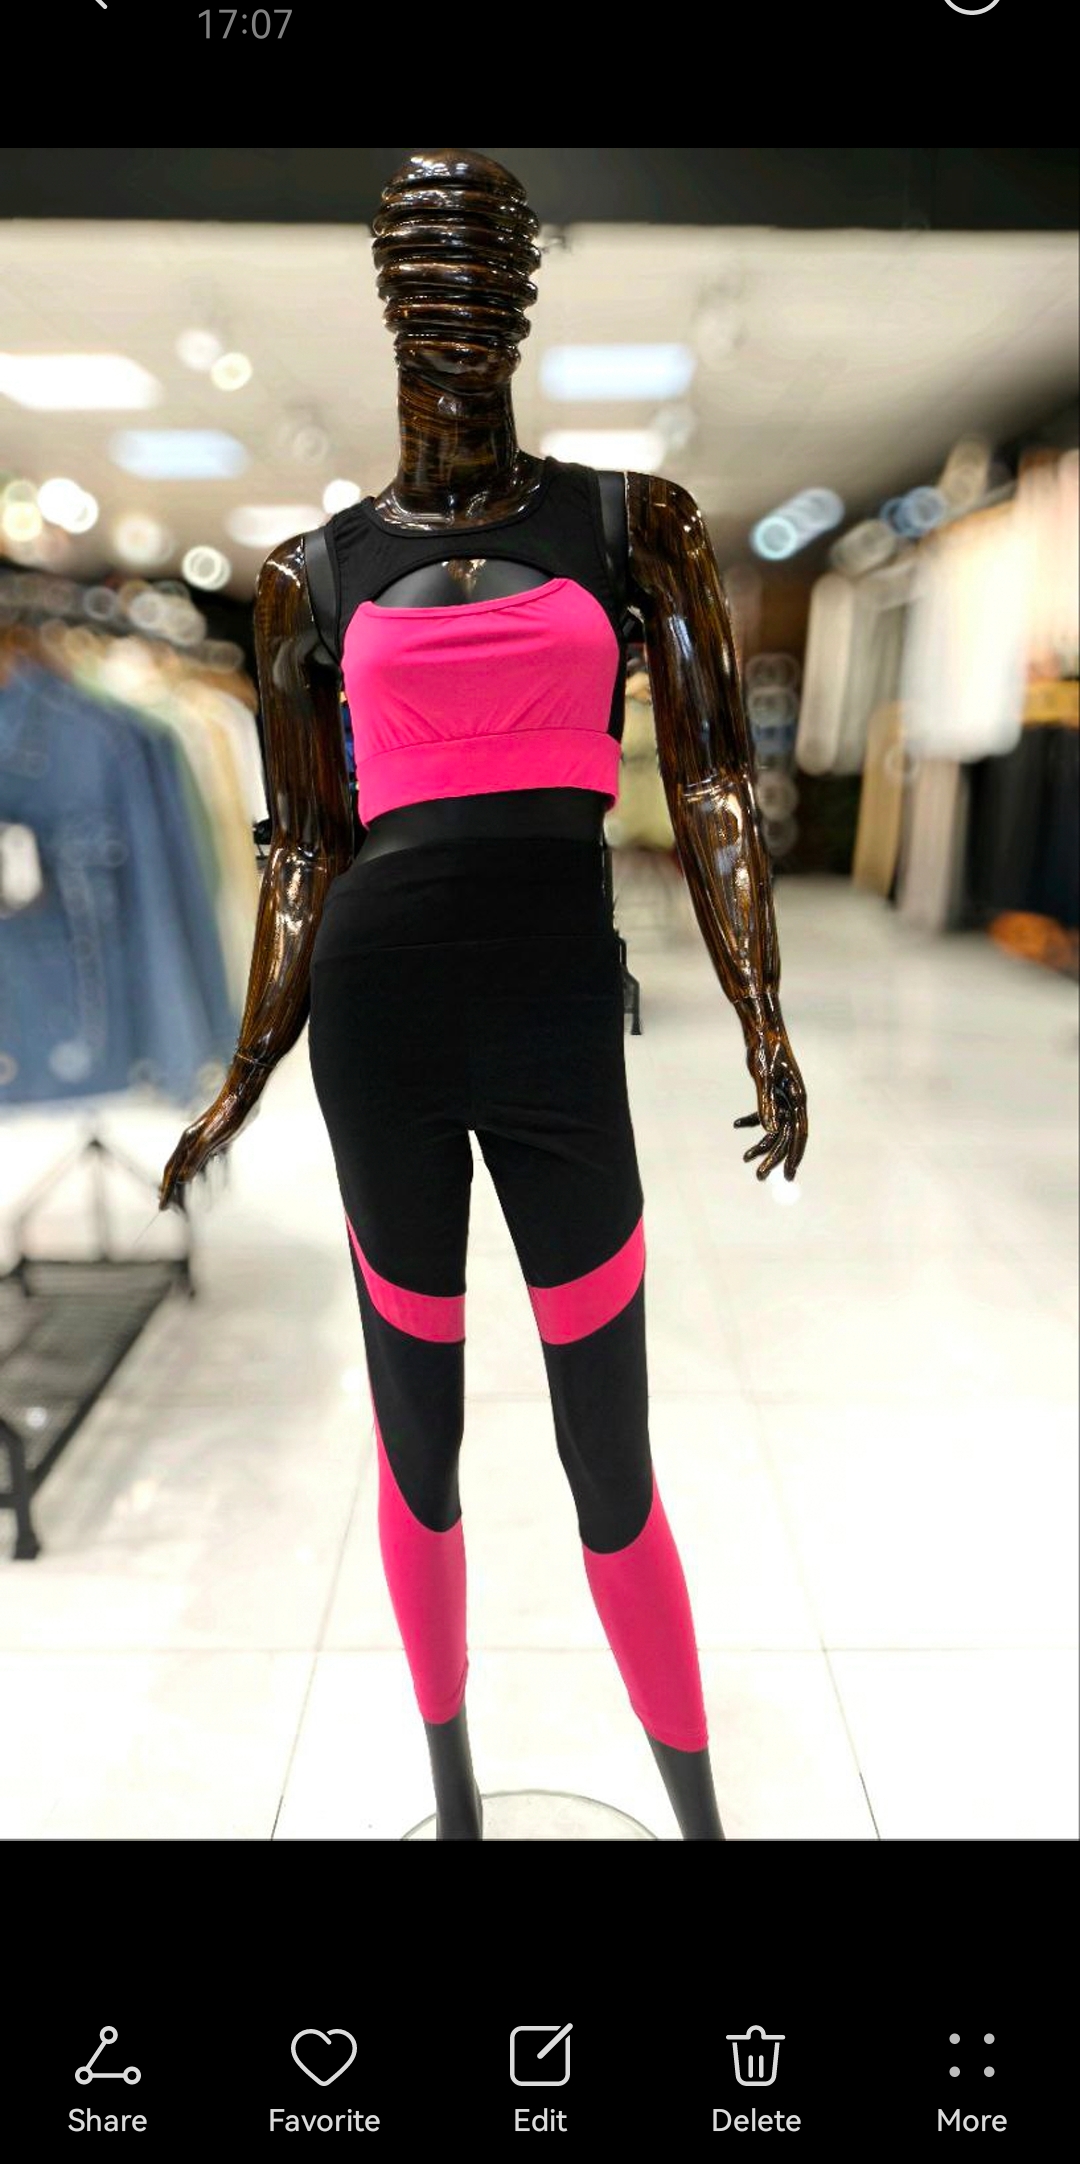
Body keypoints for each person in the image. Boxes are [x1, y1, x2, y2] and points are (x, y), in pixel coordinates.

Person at [162, 150, 809, 1840]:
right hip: (375, 1021)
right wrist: (241, 1072)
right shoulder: (311, 571)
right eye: (428, 280)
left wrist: (763, 1012)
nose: (457, 317)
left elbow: (714, 782)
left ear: (520, 296)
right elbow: (303, 851)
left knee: (613, 1460)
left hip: (554, 1021)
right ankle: (451, 1801)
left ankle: (700, 1819)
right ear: (392, 301)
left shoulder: (630, 523)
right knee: (420, 1440)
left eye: (484, 278)